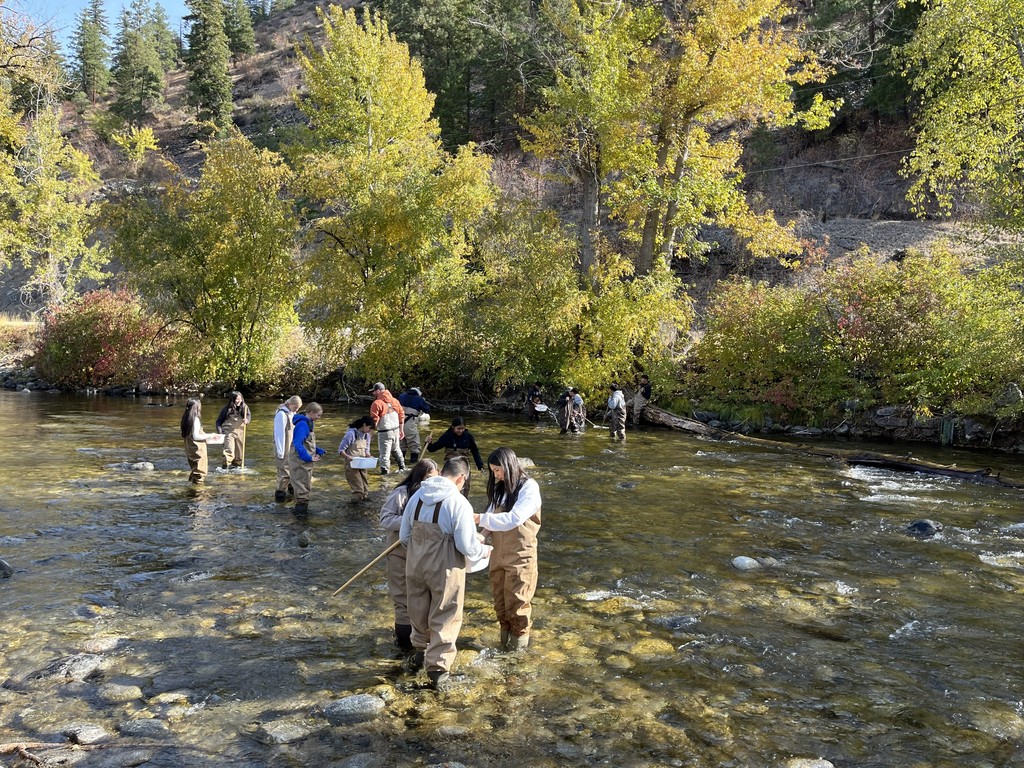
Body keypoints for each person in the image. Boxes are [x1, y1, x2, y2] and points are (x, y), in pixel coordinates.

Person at [400, 456, 491, 690]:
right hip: (445, 565)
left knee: (418, 609)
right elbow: (466, 546)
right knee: (445, 614)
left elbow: (403, 537)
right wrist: (484, 550)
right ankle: (437, 675)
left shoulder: (416, 497)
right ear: (461, 478)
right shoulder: (458, 503)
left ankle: (419, 656)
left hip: (415, 562)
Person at [477, 447, 542, 651]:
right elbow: (490, 518)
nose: (496, 475)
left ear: (509, 465)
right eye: (493, 471)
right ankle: (503, 647)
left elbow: (513, 519)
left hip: (521, 557)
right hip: (498, 556)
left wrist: (476, 517)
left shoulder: (529, 488)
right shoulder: (500, 489)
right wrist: (481, 536)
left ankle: (517, 654)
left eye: (498, 470)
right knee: (501, 606)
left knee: (518, 608)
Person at [380, 458, 439, 652]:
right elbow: (385, 519)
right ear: (419, 476)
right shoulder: (401, 493)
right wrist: (410, 522)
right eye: (428, 478)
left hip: (422, 554)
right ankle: (403, 645)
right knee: (402, 597)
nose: (431, 483)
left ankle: (422, 641)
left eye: (434, 478)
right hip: (397, 552)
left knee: (423, 597)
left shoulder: (432, 497)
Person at [425, 416, 484, 498]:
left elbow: (475, 451)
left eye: (463, 428)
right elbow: (433, 449)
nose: (461, 431)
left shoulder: (468, 436)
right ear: (453, 427)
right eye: (458, 428)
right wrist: (428, 443)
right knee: (449, 485)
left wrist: (479, 465)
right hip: (450, 465)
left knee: (464, 487)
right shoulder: (447, 436)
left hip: (464, 465)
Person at [288, 402, 326, 516]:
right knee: (301, 485)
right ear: (311, 412)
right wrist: (307, 457)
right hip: (300, 460)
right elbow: (297, 443)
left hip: (306, 461)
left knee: (305, 484)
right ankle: (300, 514)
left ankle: (302, 511)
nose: (319, 418)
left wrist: (318, 450)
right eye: (318, 415)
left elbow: (307, 442)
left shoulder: (309, 423)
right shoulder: (302, 425)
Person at [369, 382, 406, 475]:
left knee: (384, 454)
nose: (373, 393)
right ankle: (402, 467)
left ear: (378, 391)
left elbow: (374, 419)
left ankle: (384, 475)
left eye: (374, 391)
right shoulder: (395, 401)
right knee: (396, 449)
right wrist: (401, 430)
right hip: (396, 430)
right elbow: (401, 415)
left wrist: (371, 433)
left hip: (384, 432)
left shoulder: (376, 403)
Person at [273, 395, 303, 501]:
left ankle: (291, 491)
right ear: (290, 404)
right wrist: (280, 452)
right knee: (284, 471)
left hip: (291, 447)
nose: (297, 410)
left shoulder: (292, 413)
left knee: (292, 469)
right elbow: (279, 434)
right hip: (283, 446)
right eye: (296, 407)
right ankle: (280, 495)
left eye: (298, 408)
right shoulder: (281, 414)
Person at [338, 416, 374, 502]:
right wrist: (347, 457)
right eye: (369, 428)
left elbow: (366, 448)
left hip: (363, 463)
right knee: (358, 489)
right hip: (351, 465)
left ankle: (363, 504)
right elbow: (340, 450)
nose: (370, 430)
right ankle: (356, 506)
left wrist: (368, 454)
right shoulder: (351, 434)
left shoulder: (367, 436)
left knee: (365, 487)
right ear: (364, 425)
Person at [215, 391, 251, 469]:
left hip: (240, 432)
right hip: (228, 432)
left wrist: (247, 421)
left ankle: (236, 467)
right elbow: (218, 421)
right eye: (237, 399)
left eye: (240, 399)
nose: (239, 401)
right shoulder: (226, 409)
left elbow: (248, 417)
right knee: (229, 451)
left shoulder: (245, 408)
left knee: (239, 454)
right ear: (232, 400)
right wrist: (220, 432)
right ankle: (225, 468)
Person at [180, 398, 212, 484]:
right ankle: (198, 493)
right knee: (200, 473)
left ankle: (192, 490)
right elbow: (196, 436)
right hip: (197, 449)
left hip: (190, 449)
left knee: (195, 470)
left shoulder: (185, 417)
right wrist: (211, 435)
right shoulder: (195, 420)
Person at [398, 386, 431, 463]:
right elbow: (427, 410)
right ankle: (413, 463)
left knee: (402, 443)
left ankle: (400, 463)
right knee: (415, 444)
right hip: (410, 422)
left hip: (399, 422)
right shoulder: (419, 399)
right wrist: (423, 402)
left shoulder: (401, 396)